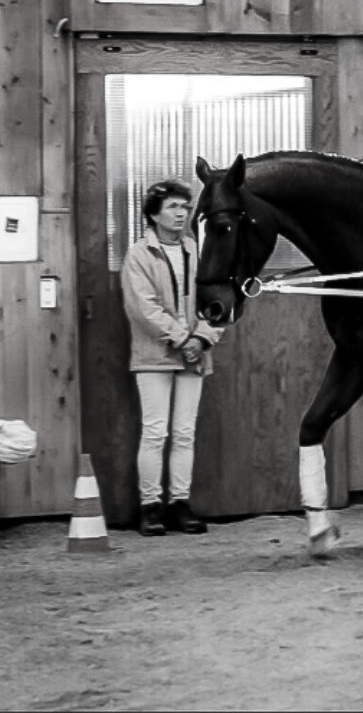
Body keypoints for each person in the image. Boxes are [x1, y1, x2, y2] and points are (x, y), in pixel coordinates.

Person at [124, 180, 225, 537]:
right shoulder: (139, 255)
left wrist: (202, 337)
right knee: (155, 432)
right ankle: (150, 506)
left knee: (184, 433)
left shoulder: (199, 251)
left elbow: (217, 301)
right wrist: (183, 339)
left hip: (195, 355)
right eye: (172, 207)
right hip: (154, 356)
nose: (181, 213)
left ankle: (180, 503)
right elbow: (143, 308)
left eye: (185, 207)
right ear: (153, 214)